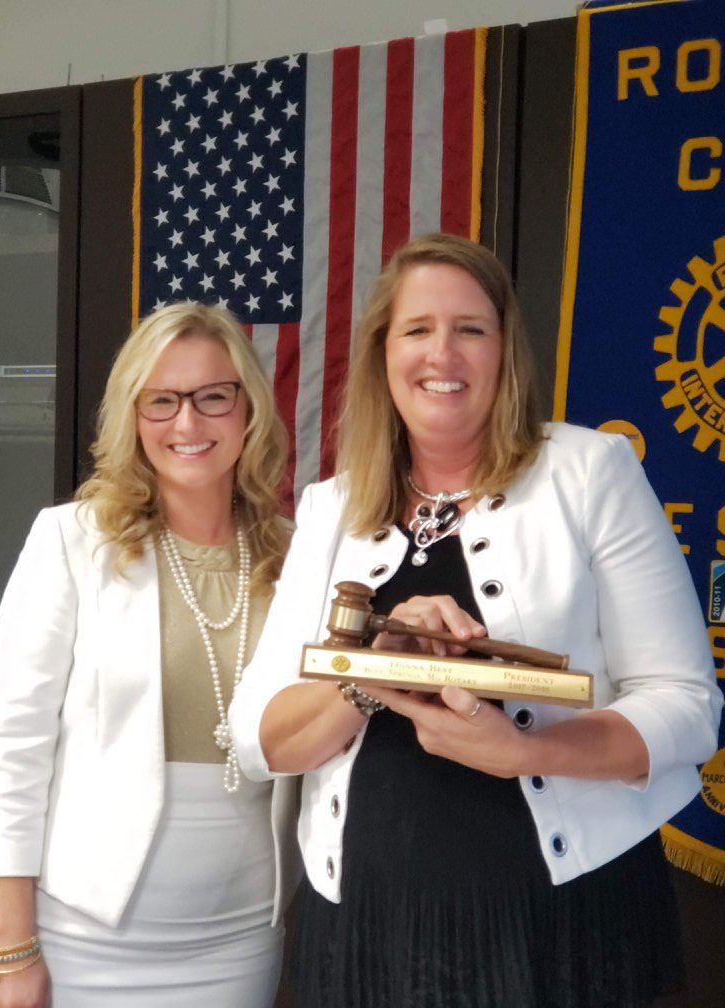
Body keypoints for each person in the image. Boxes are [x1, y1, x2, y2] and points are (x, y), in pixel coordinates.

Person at [229, 233, 723, 1008]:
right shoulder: (331, 509)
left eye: (470, 329)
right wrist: (374, 672)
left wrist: (521, 751)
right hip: (366, 930)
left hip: (560, 924)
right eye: (417, 330)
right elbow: (260, 740)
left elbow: (688, 707)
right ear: (383, 354)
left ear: (504, 350)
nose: (443, 354)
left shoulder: (589, 473)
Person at [0, 302, 301, 1007]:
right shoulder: (71, 541)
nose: (187, 423)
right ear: (133, 414)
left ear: (248, 408)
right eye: (162, 400)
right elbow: (11, 751)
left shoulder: (298, 557)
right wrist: (9, 941)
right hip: (77, 939)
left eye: (213, 397)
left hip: (239, 940)